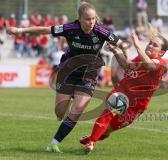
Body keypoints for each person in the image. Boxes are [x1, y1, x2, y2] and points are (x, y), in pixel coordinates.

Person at [7, 1, 124, 153]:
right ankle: (70, 99)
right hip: (69, 71)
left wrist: (119, 52)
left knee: (77, 110)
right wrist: (20, 30)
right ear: (79, 18)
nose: (91, 22)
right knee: (60, 113)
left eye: (93, 18)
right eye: (88, 19)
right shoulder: (70, 28)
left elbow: (122, 44)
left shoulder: (101, 31)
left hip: (88, 74)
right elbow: (45, 30)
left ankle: (54, 143)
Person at [80, 29, 168, 154]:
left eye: (155, 45)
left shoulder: (161, 64)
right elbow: (127, 66)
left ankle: (91, 138)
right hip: (122, 92)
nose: (150, 45)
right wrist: (115, 51)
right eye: (150, 43)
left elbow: (150, 66)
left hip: (137, 106)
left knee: (109, 129)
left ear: (161, 52)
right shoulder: (140, 57)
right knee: (107, 114)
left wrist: (137, 45)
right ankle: (91, 143)